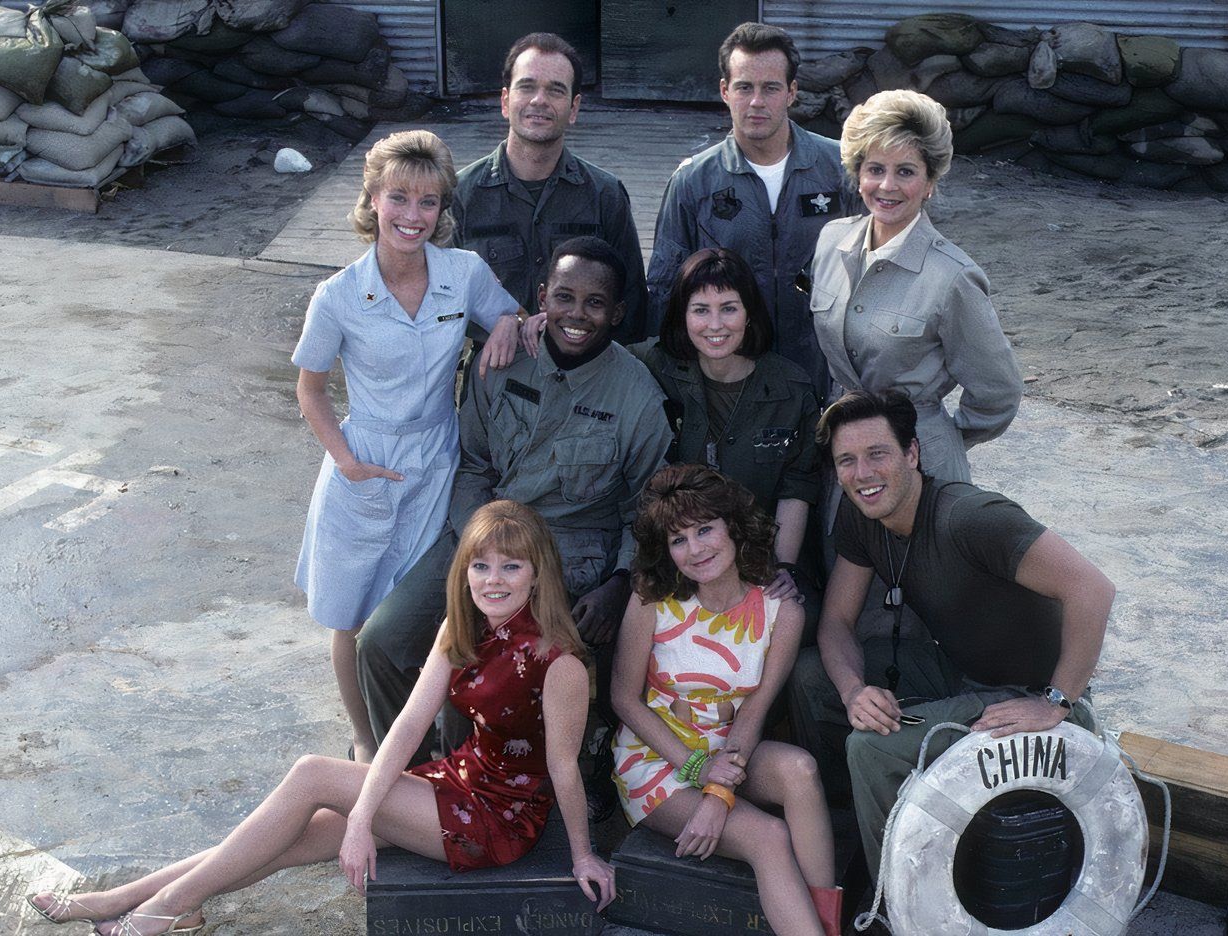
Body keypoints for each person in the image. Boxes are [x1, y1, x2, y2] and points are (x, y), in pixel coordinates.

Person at [25, 501, 614, 936]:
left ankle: (161, 910)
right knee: (289, 839)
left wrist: (583, 856)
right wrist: (362, 817)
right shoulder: (463, 627)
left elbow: (564, 770)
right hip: (453, 784)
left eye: (511, 568)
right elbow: (409, 725)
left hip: (498, 820)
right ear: (463, 571)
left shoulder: (558, 661)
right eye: (480, 566)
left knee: (312, 774)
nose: (493, 581)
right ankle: (133, 901)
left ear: (537, 573)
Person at [357, 236, 672, 765]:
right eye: (564, 297)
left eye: (595, 303)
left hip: (570, 552)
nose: (577, 314)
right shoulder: (503, 360)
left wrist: (620, 582)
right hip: (484, 532)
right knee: (381, 642)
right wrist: (481, 543)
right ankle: (410, 776)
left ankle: (470, 787)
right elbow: (473, 464)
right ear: (542, 296)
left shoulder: (637, 396)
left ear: (617, 313)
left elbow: (647, 509)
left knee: (476, 665)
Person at [788, 390, 1116, 879]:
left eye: (877, 454)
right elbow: (836, 621)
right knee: (811, 675)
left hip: (1027, 698)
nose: (863, 474)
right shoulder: (863, 515)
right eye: (847, 461)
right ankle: (848, 827)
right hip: (961, 673)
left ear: (912, 453)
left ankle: (893, 898)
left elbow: (1093, 589)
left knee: (872, 747)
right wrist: (854, 691)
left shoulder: (970, 517)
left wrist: (1056, 702)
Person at [291, 129, 535, 762]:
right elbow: (310, 391)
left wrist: (505, 324)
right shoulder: (338, 295)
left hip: (437, 461)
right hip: (364, 462)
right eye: (398, 197)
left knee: (422, 613)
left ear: (442, 209)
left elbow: (513, 315)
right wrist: (347, 462)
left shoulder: (463, 272)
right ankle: (366, 741)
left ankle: (429, 746)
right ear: (373, 199)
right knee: (350, 619)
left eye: (428, 202)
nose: (412, 215)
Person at [611, 465, 841, 935]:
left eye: (704, 529)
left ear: (733, 527)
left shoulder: (782, 611)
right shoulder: (651, 601)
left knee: (801, 770)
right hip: (658, 757)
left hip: (732, 750)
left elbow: (755, 709)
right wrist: (697, 770)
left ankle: (827, 926)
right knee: (768, 836)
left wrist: (717, 795)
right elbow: (624, 699)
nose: (695, 549)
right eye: (678, 540)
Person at [809, 90, 1023, 485]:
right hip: (845, 458)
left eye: (905, 171)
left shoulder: (953, 276)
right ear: (858, 175)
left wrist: (941, 439)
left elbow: (999, 393)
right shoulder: (830, 242)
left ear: (929, 183)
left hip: (920, 467)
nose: (887, 185)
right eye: (875, 169)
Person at [647, 22, 860, 388]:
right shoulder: (693, 183)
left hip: (823, 377)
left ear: (791, 93)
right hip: (727, 383)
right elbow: (664, 291)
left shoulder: (840, 170)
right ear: (725, 91)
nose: (757, 101)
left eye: (771, 88)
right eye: (744, 87)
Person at [637, 247, 824, 609]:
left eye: (728, 308)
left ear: (749, 313)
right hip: (682, 563)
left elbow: (797, 487)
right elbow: (598, 355)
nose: (715, 325)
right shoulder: (654, 365)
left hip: (760, 561)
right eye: (700, 310)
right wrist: (531, 325)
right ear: (682, 315)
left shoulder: (791, 388)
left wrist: (783, 567)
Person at [452, 32, 648, 344]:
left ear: (574, 108)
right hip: (492, 364)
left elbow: (632, 305)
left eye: (555, 90)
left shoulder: (605, 196)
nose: (539, 100)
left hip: (583, 366)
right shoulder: (460, 195)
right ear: (505, 101)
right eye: (527, 87)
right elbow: (440, 304)